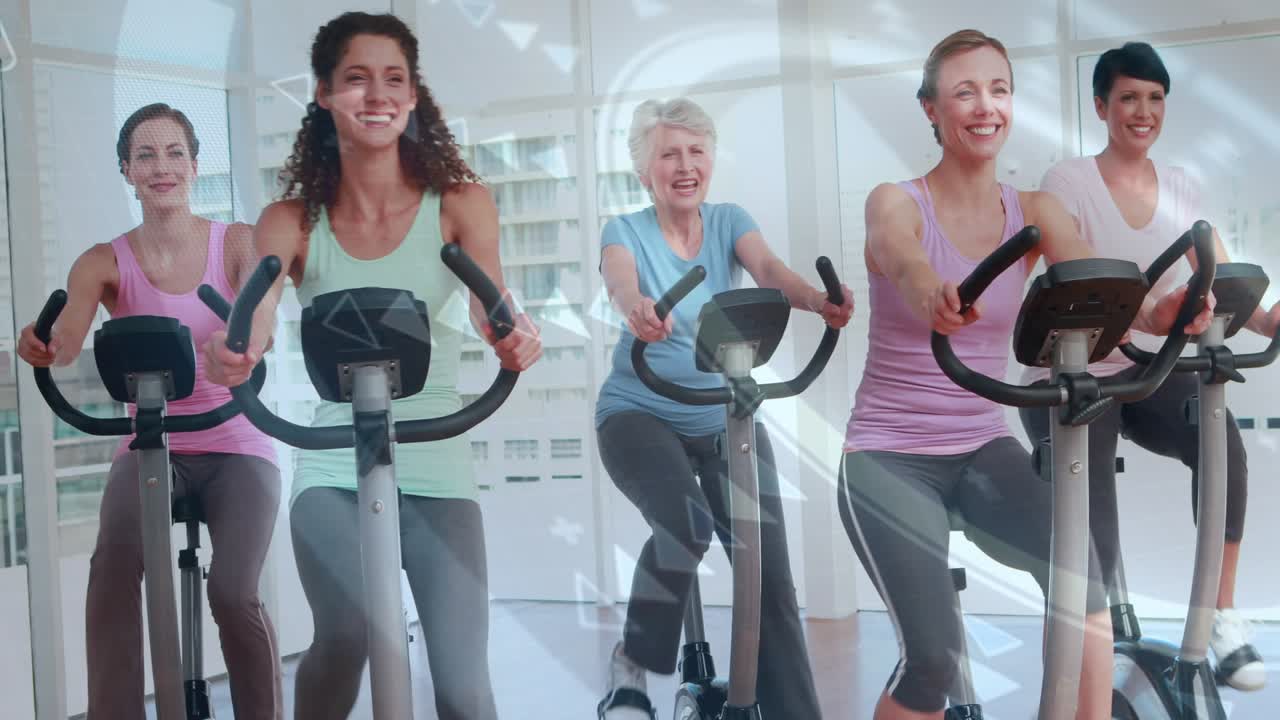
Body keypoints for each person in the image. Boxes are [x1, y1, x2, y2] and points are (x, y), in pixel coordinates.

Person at [837, 30, 1214, 720]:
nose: (986, 107)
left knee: (1084, 585)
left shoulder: (1035, 212)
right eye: (965, 91)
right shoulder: (894, 200)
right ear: (931, 110)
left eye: (999, 89)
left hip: (982, 447)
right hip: (888, 456)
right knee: (934, 661)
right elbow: (899, 255)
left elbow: (1096, 287)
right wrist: (929, 290)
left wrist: (1157, 315)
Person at [203, 12, 541, 720]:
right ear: (324, 93)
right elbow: (258, 310)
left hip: (435, 457)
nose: (377, 94)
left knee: (462, 686)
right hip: (332, 466)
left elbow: (492, 307)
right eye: (356, 79)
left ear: (414, 96)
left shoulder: (461, 205)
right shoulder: (290, 220)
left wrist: (513, 336)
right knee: (350, 632)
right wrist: (241, 349)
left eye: (394, 79)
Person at [1018, 41, 1279, 692]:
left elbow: (1216, 273)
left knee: (1221, 445)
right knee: (1090, 503)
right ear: (1101, 106)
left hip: (1148, 367)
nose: (1143, 111)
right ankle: (1102, 643)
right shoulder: (1067, 182)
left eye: (1156, 98)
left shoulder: (1183, 186)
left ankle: (1220, 616)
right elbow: (1075, 280)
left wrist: (1269, 320)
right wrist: (1151, 317)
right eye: (1129, 97)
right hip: (1072, 374)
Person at [16, 103, 283, 719]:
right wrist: (42, 342)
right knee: (110, 573)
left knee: (234, 591)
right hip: (150, 441)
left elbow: (261, 306)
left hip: (235, 441)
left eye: (173, 153)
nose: (160, 166)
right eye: (145, 155)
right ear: (126, 171)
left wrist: (249, 339)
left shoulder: (236, 240)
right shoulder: (103, 261)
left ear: (193, 165)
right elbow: (68, 338)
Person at [594, 97, 854, 719]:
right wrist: (636, 308)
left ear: (710, 159)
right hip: (639, 414)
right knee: (685, 526)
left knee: (769, 580)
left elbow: (768, 269)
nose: (685, 165)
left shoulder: (729, 219)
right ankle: (632, 666)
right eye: (668, 154)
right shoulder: (624, 231)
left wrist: (817, 301)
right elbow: (620, 281)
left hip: (724, 417)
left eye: (695, 151)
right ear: (644, 170)